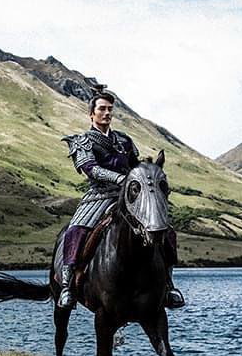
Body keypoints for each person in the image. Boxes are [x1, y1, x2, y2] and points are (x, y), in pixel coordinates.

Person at [60, 86, 184, 310]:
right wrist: (120, 178)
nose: (107, 113)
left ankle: (168, 284)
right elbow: (91, 169)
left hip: (129, 195)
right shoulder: (83, 141)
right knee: (75, 230)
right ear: (91, 114)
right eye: (102, 109)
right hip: (99, 195)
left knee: (165, 229)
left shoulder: (124, 140)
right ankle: (67, 286)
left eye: (110, 109)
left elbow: (135, 165)